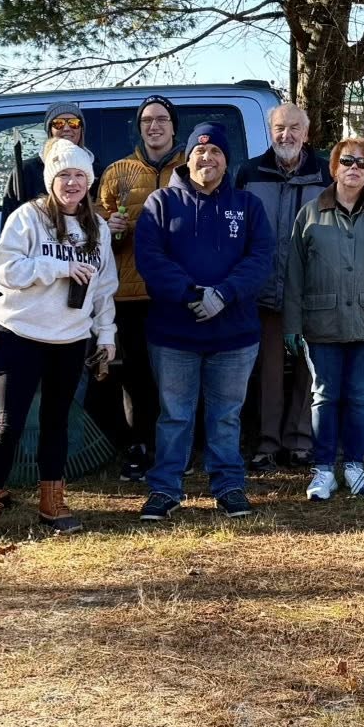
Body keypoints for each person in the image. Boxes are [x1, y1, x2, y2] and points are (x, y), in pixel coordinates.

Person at [0, 139, 117, 543]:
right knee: (8, 423)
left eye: (79, 176)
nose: (72, 183)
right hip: (22, 334)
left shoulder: (97, 228)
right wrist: (58, 267)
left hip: (70, 339)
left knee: (56, 422)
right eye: (64, 175)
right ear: (51, 180)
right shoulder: (27, 217)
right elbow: (6, 271)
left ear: (89, 182)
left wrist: (106, 335)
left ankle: (52, 503)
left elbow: (104, 288)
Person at [131, 121, 274, 521]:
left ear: (227, 161)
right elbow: (151, 259)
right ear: (187, 157)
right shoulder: (161, 203)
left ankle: (228, 486)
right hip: (174, 333)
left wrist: (223, 295)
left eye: (215, 153)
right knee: (175, 415)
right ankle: (165, 490)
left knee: (226, 415)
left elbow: (260, 259)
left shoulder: (248, 206)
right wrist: (193, 294)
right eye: (199, 151)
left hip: (234, 334)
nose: (207, 158)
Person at [284, 136, 364, 499]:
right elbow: (294, 273)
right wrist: (292, 325)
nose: (354, 168)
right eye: (347, 162)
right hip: (322, 321)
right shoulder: (310, 213)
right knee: (324, 396)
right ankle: (324, 469)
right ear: (335, 167)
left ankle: (355, 465)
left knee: (360, 396)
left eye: (361, 163)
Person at [235, 102, 329, 469]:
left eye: (294, 128)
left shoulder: (325, 173)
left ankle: (300, 439)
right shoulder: (249, 172)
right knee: (268, 370)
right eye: (279, 128)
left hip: (312, 290)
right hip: (264, 291)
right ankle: (268, 443)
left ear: (306, 134)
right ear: (270, 132)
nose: (286, 135)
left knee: (309, 368)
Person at [94, 94, 183, 481]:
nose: (154, 126)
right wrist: (108, 231)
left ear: (173, 126)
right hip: (130, 292)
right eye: (147, 120)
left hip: (176, 290)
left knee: (177, 374)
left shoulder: (190, 165)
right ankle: (140, 445)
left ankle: (177, 447)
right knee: (135, 376)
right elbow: (94, 230)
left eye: (161, 119)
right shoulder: (117, 172)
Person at [0, 100, 89, 223]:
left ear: (81, 129)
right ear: (49, 130)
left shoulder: (97, 171)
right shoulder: (25, 171)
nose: (67, 128)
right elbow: (9, 224)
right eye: (59, 123)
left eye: (74, 123)